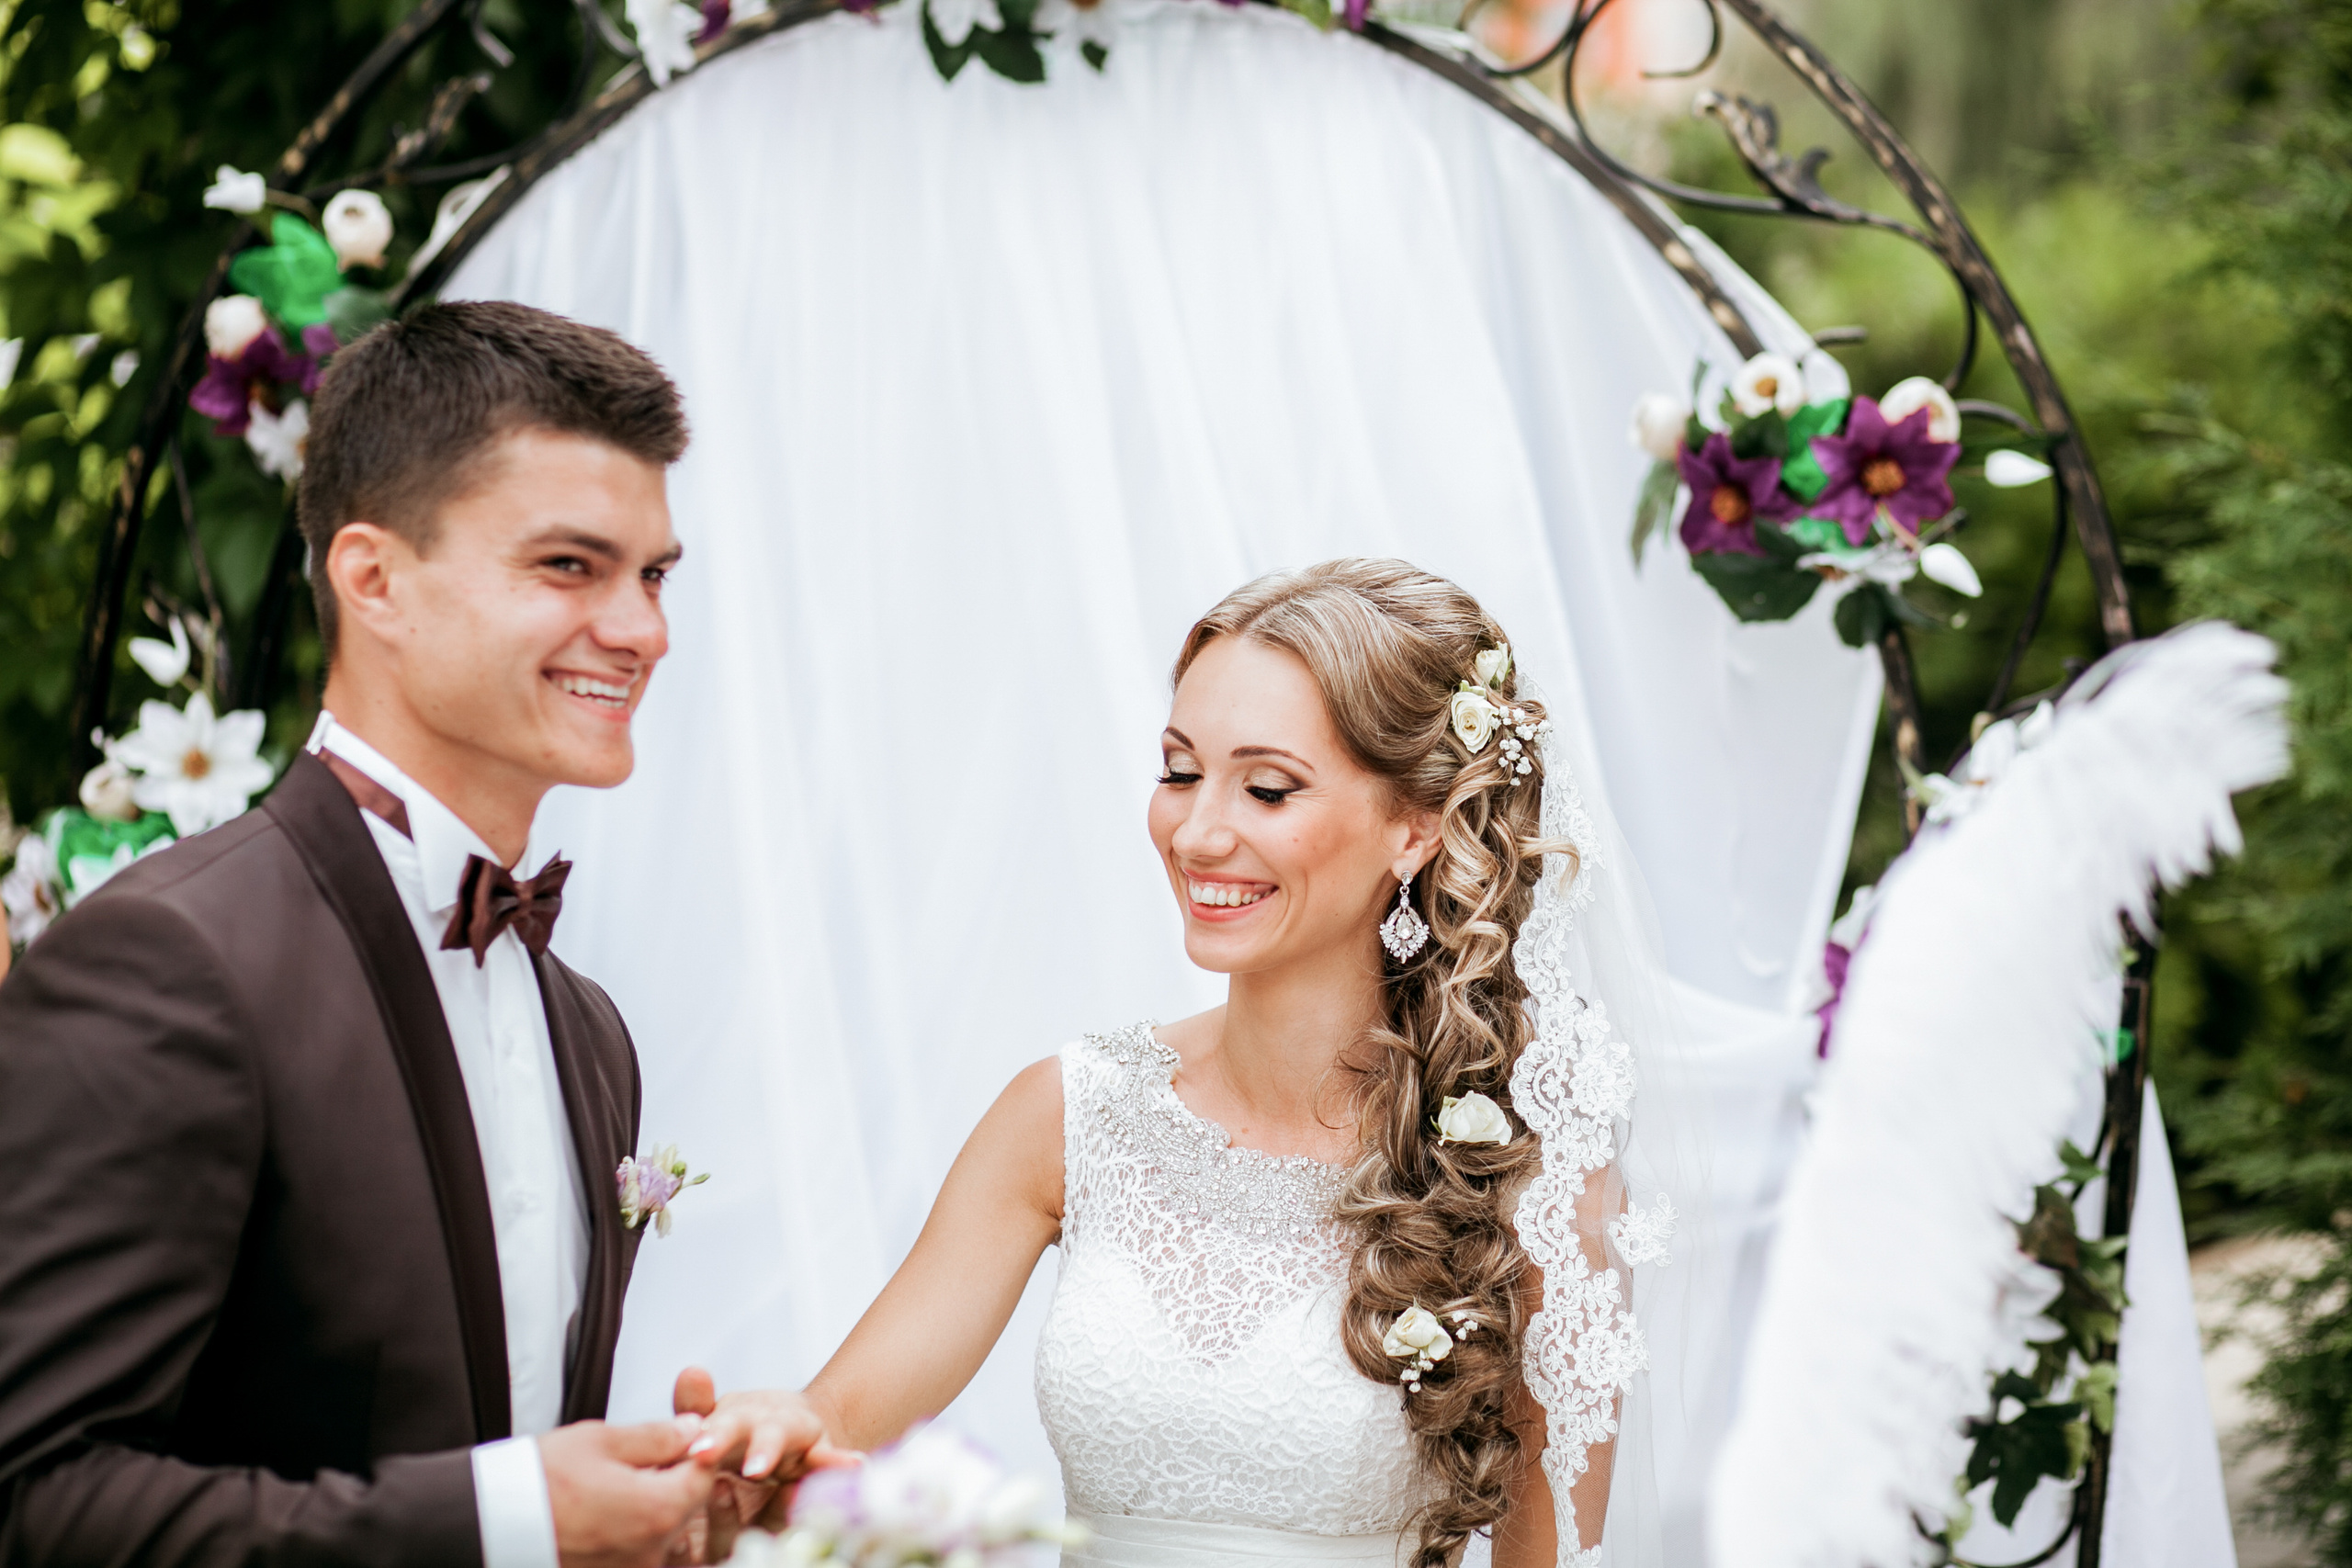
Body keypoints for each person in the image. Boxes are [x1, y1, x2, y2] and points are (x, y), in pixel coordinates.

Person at [0, 300, 813, 1567]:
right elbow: (34, 1501)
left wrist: (659, 1500)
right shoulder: (170, 962)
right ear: (373, 578)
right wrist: (516, 1516)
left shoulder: (586, 1026)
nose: (645, 630)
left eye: (652, 575)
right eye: (569, 567)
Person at [709, 559, 1687, 1567]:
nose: (1197, 832)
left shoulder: (1526, 1174)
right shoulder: (1068, 1113)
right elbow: (830, 1424)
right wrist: (770, 1435)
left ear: (1415, 826)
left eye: (1266, 787)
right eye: (1180, 771)